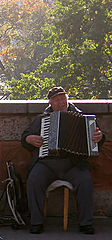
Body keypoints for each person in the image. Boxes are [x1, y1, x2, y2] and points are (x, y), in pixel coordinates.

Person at [21, 86, 105, 235]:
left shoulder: (82, 118)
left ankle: (86, 223)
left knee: (85, 181)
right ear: (50, 103)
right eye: (56, 100)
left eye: (63, 99)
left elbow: (98, 137)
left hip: (74, 164)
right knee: (34, 180)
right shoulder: (42, 119)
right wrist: (29, 139)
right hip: (47, 164)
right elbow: (25, 137)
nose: (60, 103)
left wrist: (99, 138)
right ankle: (36, 222)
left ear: (67, 99)